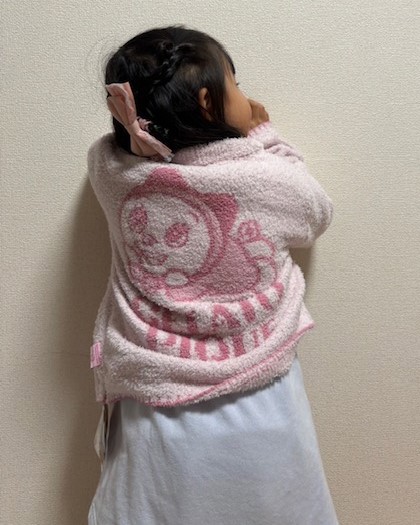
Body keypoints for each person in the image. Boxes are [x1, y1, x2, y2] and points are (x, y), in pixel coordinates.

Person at [87, 25, 339, 525]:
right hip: (261, 398)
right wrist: (265, 138)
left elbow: (105, 150)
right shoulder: (265, 178)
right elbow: (315, 213)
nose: (244, 95)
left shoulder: (113, 175)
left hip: (154, 403)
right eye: (235, 84)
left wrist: (145, 136)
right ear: (208, 103)